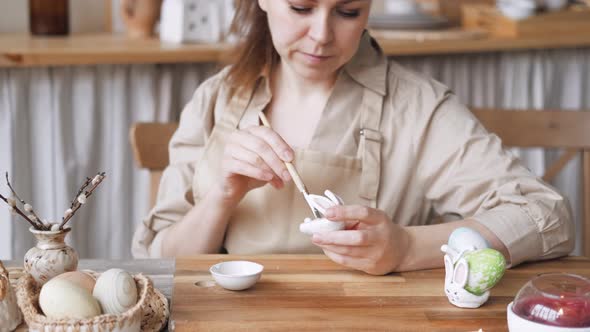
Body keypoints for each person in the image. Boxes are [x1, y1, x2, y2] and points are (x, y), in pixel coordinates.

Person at [132, 0, 574, 275]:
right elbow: (156, 258)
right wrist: (222, 196)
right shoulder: (216, 99)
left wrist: (406, 248)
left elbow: (546, 217)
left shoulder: (416, 107)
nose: (322, 36)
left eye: (348, 12)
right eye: (301, 8)